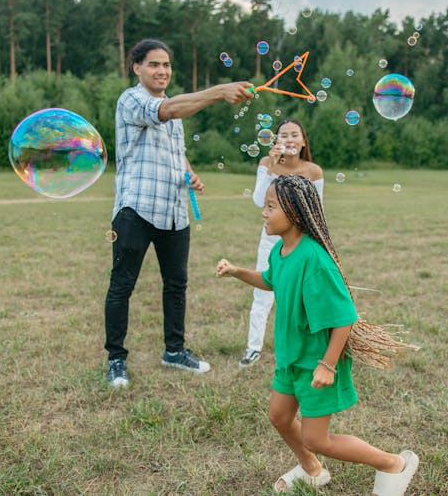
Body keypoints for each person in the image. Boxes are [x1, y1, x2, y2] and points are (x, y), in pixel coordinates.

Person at [216, 175, 419, 494]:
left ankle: (393, 464)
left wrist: (327, 364)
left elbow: (344, 319)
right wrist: (237, 272)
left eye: (271, 207)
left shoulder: (315, 260)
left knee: (317, 438)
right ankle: (312, 470)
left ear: (295, 213)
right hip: (290, 358)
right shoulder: (280, 250)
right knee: (279, 417)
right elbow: (271, 280)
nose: (263, 213)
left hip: (316, 362)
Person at [104, 38, 253, 388]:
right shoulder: (132, 100)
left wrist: (188, 172)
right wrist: (218, 91)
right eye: (154, 64)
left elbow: (175, 148)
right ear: (136, 67)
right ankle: (116, 360)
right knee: (121, 285)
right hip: (135, 209)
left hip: (173, 210)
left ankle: (174, 351)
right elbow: (166, 111)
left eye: (167, 65)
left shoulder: (173, 107)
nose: (162, 71)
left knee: (176, 285)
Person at [239, 118, 324, 368]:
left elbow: (318, 211)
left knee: (304, 296)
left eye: (294, 134)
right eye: (283, 135)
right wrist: (272, 168)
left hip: (302, 244)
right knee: (263, 294)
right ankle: (253, 347)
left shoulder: (313, 171)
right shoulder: (267, 164)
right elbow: (258, 201)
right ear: (275, 142)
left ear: (303, 141)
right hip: (270, 241)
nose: (289, 139)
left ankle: (308, 346)